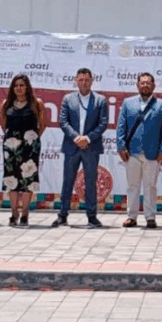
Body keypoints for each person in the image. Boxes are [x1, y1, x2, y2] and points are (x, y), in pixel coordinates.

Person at [53, 68, 108, 229]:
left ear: (92, 81)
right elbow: (63, 122)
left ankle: (92, 216)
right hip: (72, 146)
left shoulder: (100, 100)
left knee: (91, 182)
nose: (84, 83)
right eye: (81, 79)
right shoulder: (68, 99)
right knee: (68, 181)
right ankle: (62, 215)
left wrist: (88, 138)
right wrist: (77, 138)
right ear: (76, 80)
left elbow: (103, 123)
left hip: (91, 147)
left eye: (87, 80)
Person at [117, 72, 162, 229]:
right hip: (131, 151)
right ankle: (131, 217)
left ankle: (150, 217)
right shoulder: (128, 103)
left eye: (149, 83)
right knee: (132, 186)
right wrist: (121, 147)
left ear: (154, 86)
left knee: (150, 186)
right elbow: (121, 127)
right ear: (137, 85)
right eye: (142, 83)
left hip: (153, 153)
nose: (145, 85)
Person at [0, 74, 46, 227]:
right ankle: (14, 212)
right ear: (12, 88)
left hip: (30, 146)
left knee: (28, 179)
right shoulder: (7, 104)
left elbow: (43, 124)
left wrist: (31, 138)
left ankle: (25, 213)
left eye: (22, 85)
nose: (19, 88)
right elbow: (3, 124)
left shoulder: (36, 103)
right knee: (11, 179)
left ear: (27, 87)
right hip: (11, 145)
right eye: (16, 85)